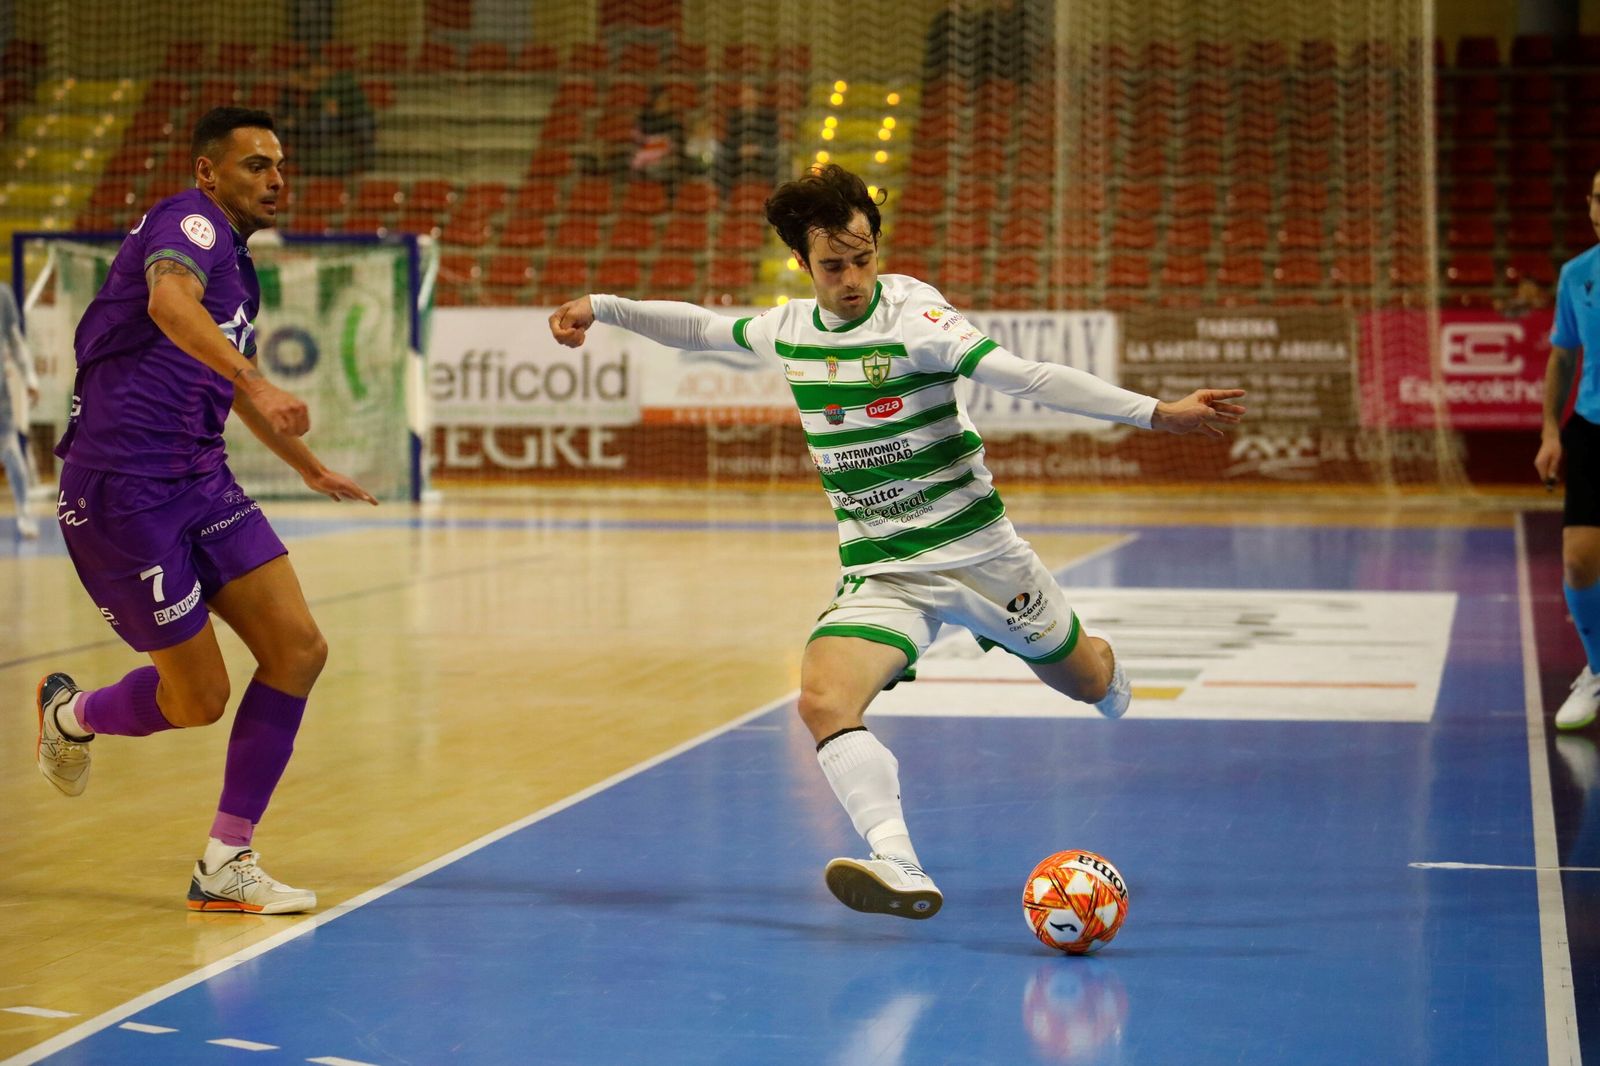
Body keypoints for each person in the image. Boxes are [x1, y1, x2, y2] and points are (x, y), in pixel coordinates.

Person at [548, 165, 1246, 918]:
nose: (852, 279)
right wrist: (601, 306)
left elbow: (1026, 377)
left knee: (1087, 683)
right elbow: (699, 328)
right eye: (834, 266)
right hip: (884, 572)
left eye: (863, 259)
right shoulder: (790, 330)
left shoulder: (916, 317)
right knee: (822, 699)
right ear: (803, 262)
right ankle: (900, 863)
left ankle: (1101, 667)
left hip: (982, 559)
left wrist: (1156, 413)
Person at [34, 107, 378, 913]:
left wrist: (310, 467)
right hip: (122, 493)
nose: (276, 179)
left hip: (200, 480)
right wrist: (257, 379)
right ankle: (72, 714)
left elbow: (231, 379)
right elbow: (168, 303)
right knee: (197, 701)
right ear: (208, 172)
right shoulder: (188, 223)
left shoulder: (239, 269)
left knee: (298, 650)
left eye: (280, 165)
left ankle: (227, 860)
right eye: (257, 164)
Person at [1537, 168, 1600, 730]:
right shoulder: (1576, 274)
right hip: (1591, 430)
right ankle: (1598, 670)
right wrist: (1551, 433)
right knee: (1580, 561)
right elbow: (1562, 355)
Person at [0, 281, 39, 538]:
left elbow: (15, 340)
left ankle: (24, 513)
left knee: (11, 451)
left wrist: (30, 378)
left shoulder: (2, 295)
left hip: (0, 397)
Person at [714, 84, 779, 199]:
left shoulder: (768, 117)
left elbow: (773, 141)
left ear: (758, 99)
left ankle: (774, 196)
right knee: (720, 160)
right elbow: (728, 142)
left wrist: (759, 150)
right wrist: (739, 151)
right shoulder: (734, 118)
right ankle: (726, 199)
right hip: (738, 162)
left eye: (751, 99)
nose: (749, 102)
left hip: (763, 161)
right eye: (746, 99)